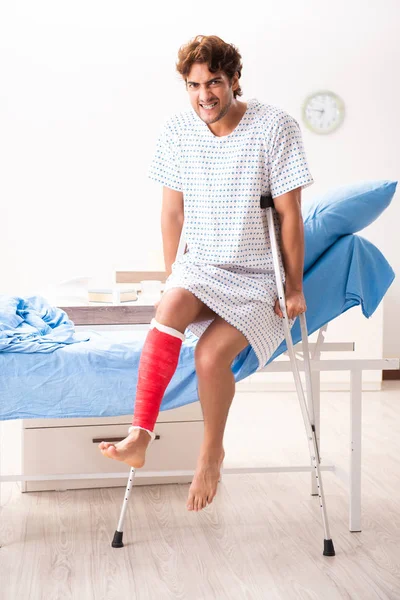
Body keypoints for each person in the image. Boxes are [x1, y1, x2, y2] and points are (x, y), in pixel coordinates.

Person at [99, 34, 314, 512]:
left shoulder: (274, 127)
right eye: (194, 85)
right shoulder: (177, 131)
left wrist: (294, 286)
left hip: (257, 275)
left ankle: (211, 452)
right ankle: (139, 435)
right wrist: (173, 273)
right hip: (201, 266)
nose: (204, 95)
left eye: (214, 82)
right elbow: (172, 215)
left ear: (234, 79)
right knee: (169, 305)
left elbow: (291, 214)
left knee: (211, 358)